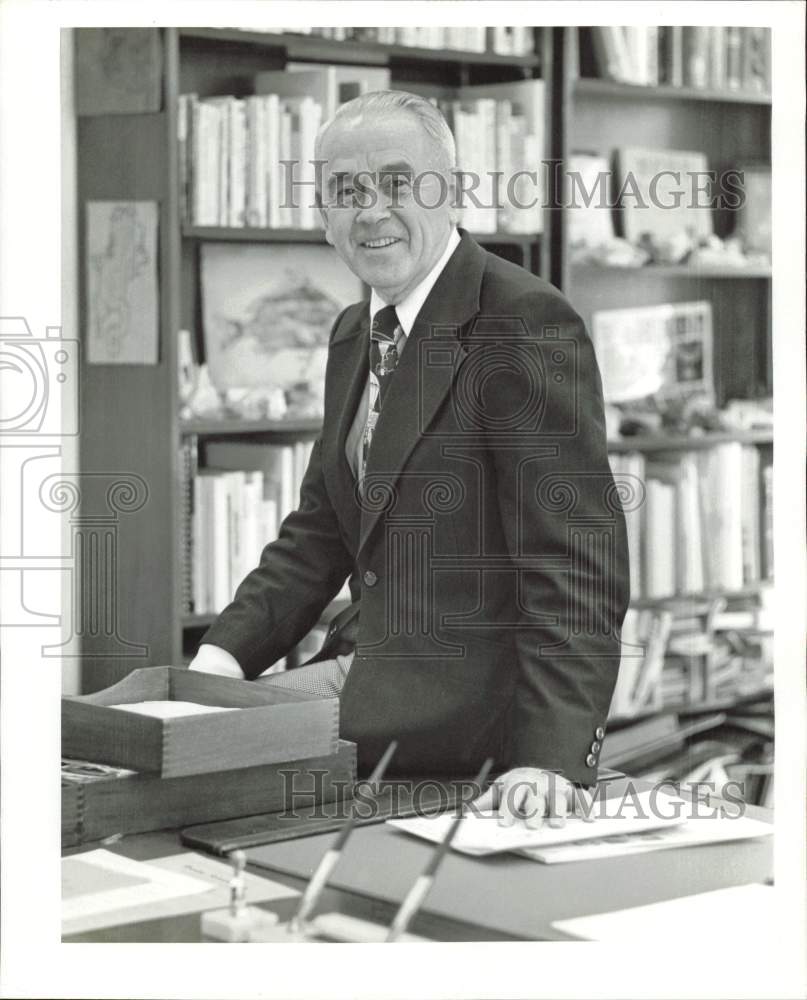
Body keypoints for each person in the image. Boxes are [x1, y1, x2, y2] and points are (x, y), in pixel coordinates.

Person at [191, 91, 630, 827]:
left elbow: (576, 561)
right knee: (164, 748)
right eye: (344, 191)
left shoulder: (521, 320)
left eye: (397, 183)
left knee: (197, 770)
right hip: (366, 679)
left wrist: (550, 760)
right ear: (323, 217)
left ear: (450, 190)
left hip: (471, 713)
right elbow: (321, 532)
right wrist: (218, 663)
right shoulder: (350, 332)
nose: (370, 210)